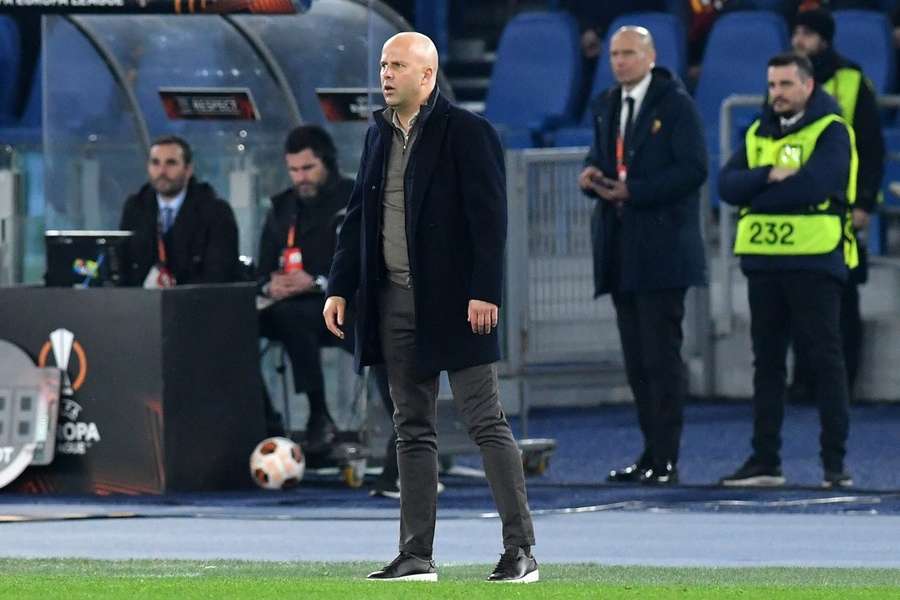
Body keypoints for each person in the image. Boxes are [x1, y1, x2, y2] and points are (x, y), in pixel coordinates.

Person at [323, 32, 537, 583]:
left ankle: (520, 551)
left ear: (428, 76)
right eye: (382, 64)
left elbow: (490, 220)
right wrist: (340, 286)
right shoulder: (377, 135)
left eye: (397, 66)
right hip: (393, 302)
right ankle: (416, 555)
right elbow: (357, 218)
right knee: (411, 428)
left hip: (458, 304)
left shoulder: (467, 131)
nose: (386, 74)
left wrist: (485, 290)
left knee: (485, 422)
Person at [718, 52, 857, 488]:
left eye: (785, 85)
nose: (776, 94)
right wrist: (769, 176)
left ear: (808, 86)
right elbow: (726, 185)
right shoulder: (760, 130)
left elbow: (818, 185)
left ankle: (834, 465)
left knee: (825, 361)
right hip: (764, 263)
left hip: (815, 261)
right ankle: (765, 461)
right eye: (772, 85)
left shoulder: (832, 131)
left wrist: (757, 193)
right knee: (768, 364)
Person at [577, 26, 707, 486]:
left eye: (628, 53)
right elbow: (605, 156)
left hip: (663, 251)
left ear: (650, 56)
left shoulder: (675, 104)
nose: (619, 61)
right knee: (636, 361)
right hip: (621, 250)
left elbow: (694, 168)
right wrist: (593, 175)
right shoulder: (608, 103)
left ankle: (667, 457)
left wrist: (637, 191)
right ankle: (650, 453)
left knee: (661, 359)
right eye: (614, 54)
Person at [789, 7, 885, 401]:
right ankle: (804, 382)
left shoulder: (851, 81)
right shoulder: (787, 80)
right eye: (796, 32)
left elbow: (871, 147)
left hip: (841, 207)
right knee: (798, 297)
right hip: (798, 208)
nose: (798, 40)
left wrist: (864, 202)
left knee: (842, 297)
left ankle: (843, 383)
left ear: (823, 40)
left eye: (806, 34)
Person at [119, 135, 238, 287]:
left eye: (171, 163)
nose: (162, 171)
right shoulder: (135, 208)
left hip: (197, 303)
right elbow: (124, 265)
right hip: (144, 305)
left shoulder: (216, 211)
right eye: (155, 163)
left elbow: (220, 275)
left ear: (188, 170)